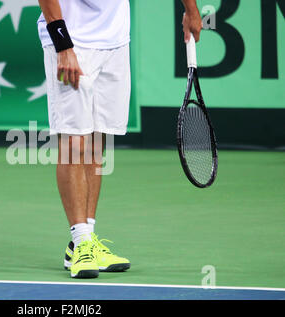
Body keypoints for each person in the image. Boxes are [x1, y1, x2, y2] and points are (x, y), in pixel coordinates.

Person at [37, 0, 202, 279]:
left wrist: (192, 9)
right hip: (73, 41)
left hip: (115, 40)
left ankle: (85, 238)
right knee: (75, 143)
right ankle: (80, 240)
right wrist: (63, 45)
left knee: (95, 142)